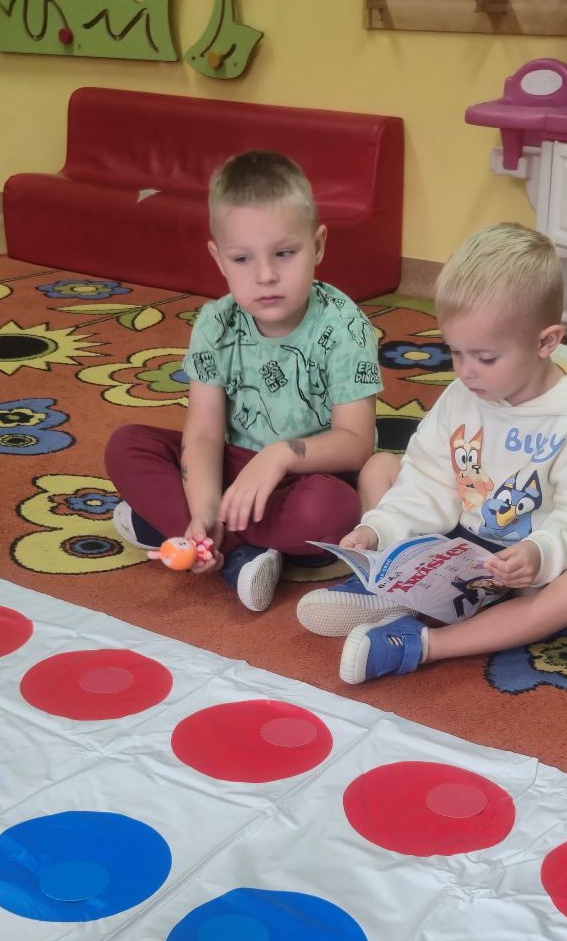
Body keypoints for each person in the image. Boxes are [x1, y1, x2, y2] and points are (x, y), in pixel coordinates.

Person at [298, 222, 567, 684]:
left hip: (524, 567)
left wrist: (539, 552)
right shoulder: (462, 394)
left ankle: (423, 643)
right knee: (380, 467)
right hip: (454, 541)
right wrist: (379, 529)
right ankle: (387, 583)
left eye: (485, 358)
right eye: (455, 352)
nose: (466, 372)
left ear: (545, 342)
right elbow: (429, 477)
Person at [104, 150, 381, 611]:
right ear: (219, 259)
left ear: (318, 246)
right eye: (242, 259)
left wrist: (279, 456)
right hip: (233, 470)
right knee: (126, 446)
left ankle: (171, 528)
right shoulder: (215, 323)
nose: (266, 275)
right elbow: (204, 433)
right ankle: (232, 549)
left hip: (310, 478)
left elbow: (356, 444)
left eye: (285, 253)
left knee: (336, 510)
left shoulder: (346, 326)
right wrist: (203, 510)